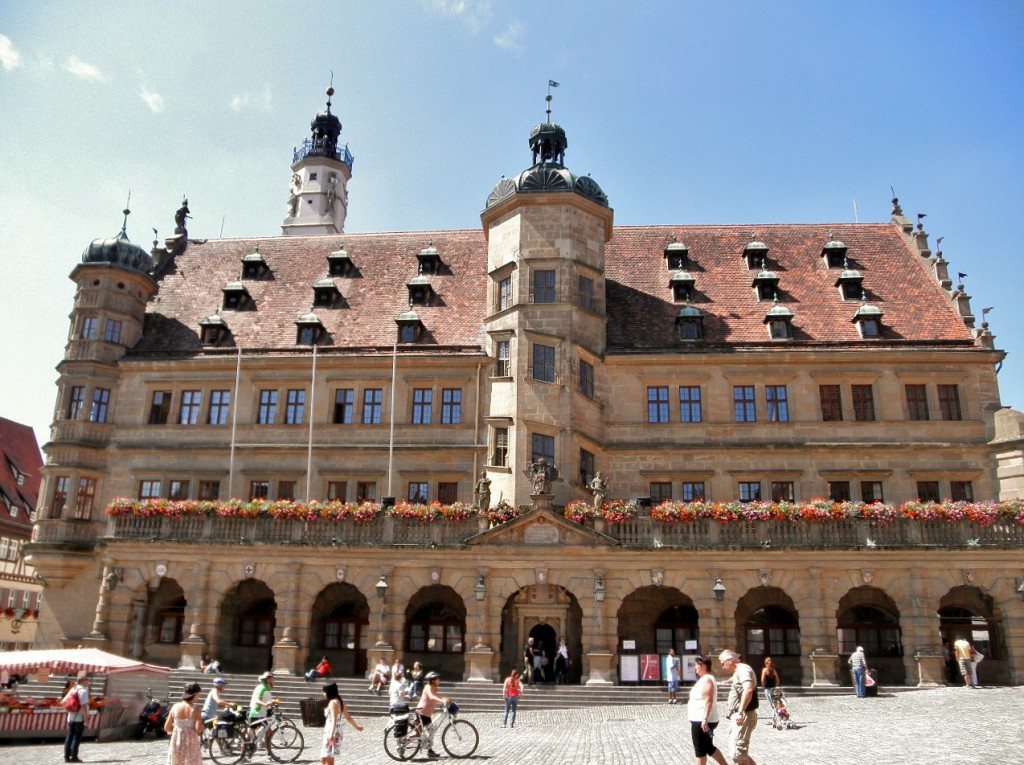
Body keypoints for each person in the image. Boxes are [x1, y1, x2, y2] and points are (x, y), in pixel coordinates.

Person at [719, 649, 758, 765]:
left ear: (730, 661)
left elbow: (749, 689)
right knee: (738, 753)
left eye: (722, 663)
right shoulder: (739, 671)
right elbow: (738, 679)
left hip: (744, 714)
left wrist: (740, 712)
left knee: (738, 754)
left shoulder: (743, 669)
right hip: (740, 715)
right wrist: (726, 681)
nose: (722, 667)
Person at [687, 656, 729, 765]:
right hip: (701, 719)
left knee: (700, 750)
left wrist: (705, 718)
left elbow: (709, 700)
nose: (695, 668)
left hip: (702, 720)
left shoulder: (707, 680)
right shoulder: (705, 679)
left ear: (704, 666)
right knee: (708, 747)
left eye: (697, 665)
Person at [320, 682, 363, 765]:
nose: (323, 694)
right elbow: (348, 717)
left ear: (329, 692)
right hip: (337, 731)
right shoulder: (339, 701)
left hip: (332, 731)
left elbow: (334, 719)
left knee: (328, 758)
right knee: (325, 756)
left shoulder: (333, 703)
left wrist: (331, 734)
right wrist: (357, 727)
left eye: (324, 692)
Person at [164, 681, 203, 765]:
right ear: (194, 694)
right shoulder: (196, 709)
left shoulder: (175, 707)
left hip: (177, 740)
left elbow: (166, 727)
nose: (199, 696)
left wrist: (178, 729)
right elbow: (198, 729)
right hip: (191, 743)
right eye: (198, 694)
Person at [415, 672, 448, 758]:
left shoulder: (433, 687)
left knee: (428, 732)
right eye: (438, 679)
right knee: (426, 732)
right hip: (423, 712)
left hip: (426, 713)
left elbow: (436, 696)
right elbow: (431, 696)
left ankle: (430, 750)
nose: (439, 680)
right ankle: (405, 742)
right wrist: (442, 701)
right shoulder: (428, 687)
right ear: (433, 680)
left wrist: (444, 699)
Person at [63, 671, 90, 763]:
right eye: (87, 680)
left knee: (69, 736)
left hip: (70, 717)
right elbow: (83, 706)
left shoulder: (73, 689)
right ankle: (74, 756)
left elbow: (63, 702)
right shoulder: (83, 691)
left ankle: (66, 757)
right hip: (79, 718)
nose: (88, 682)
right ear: (82, 681)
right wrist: (86, 719)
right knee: (76, 737)